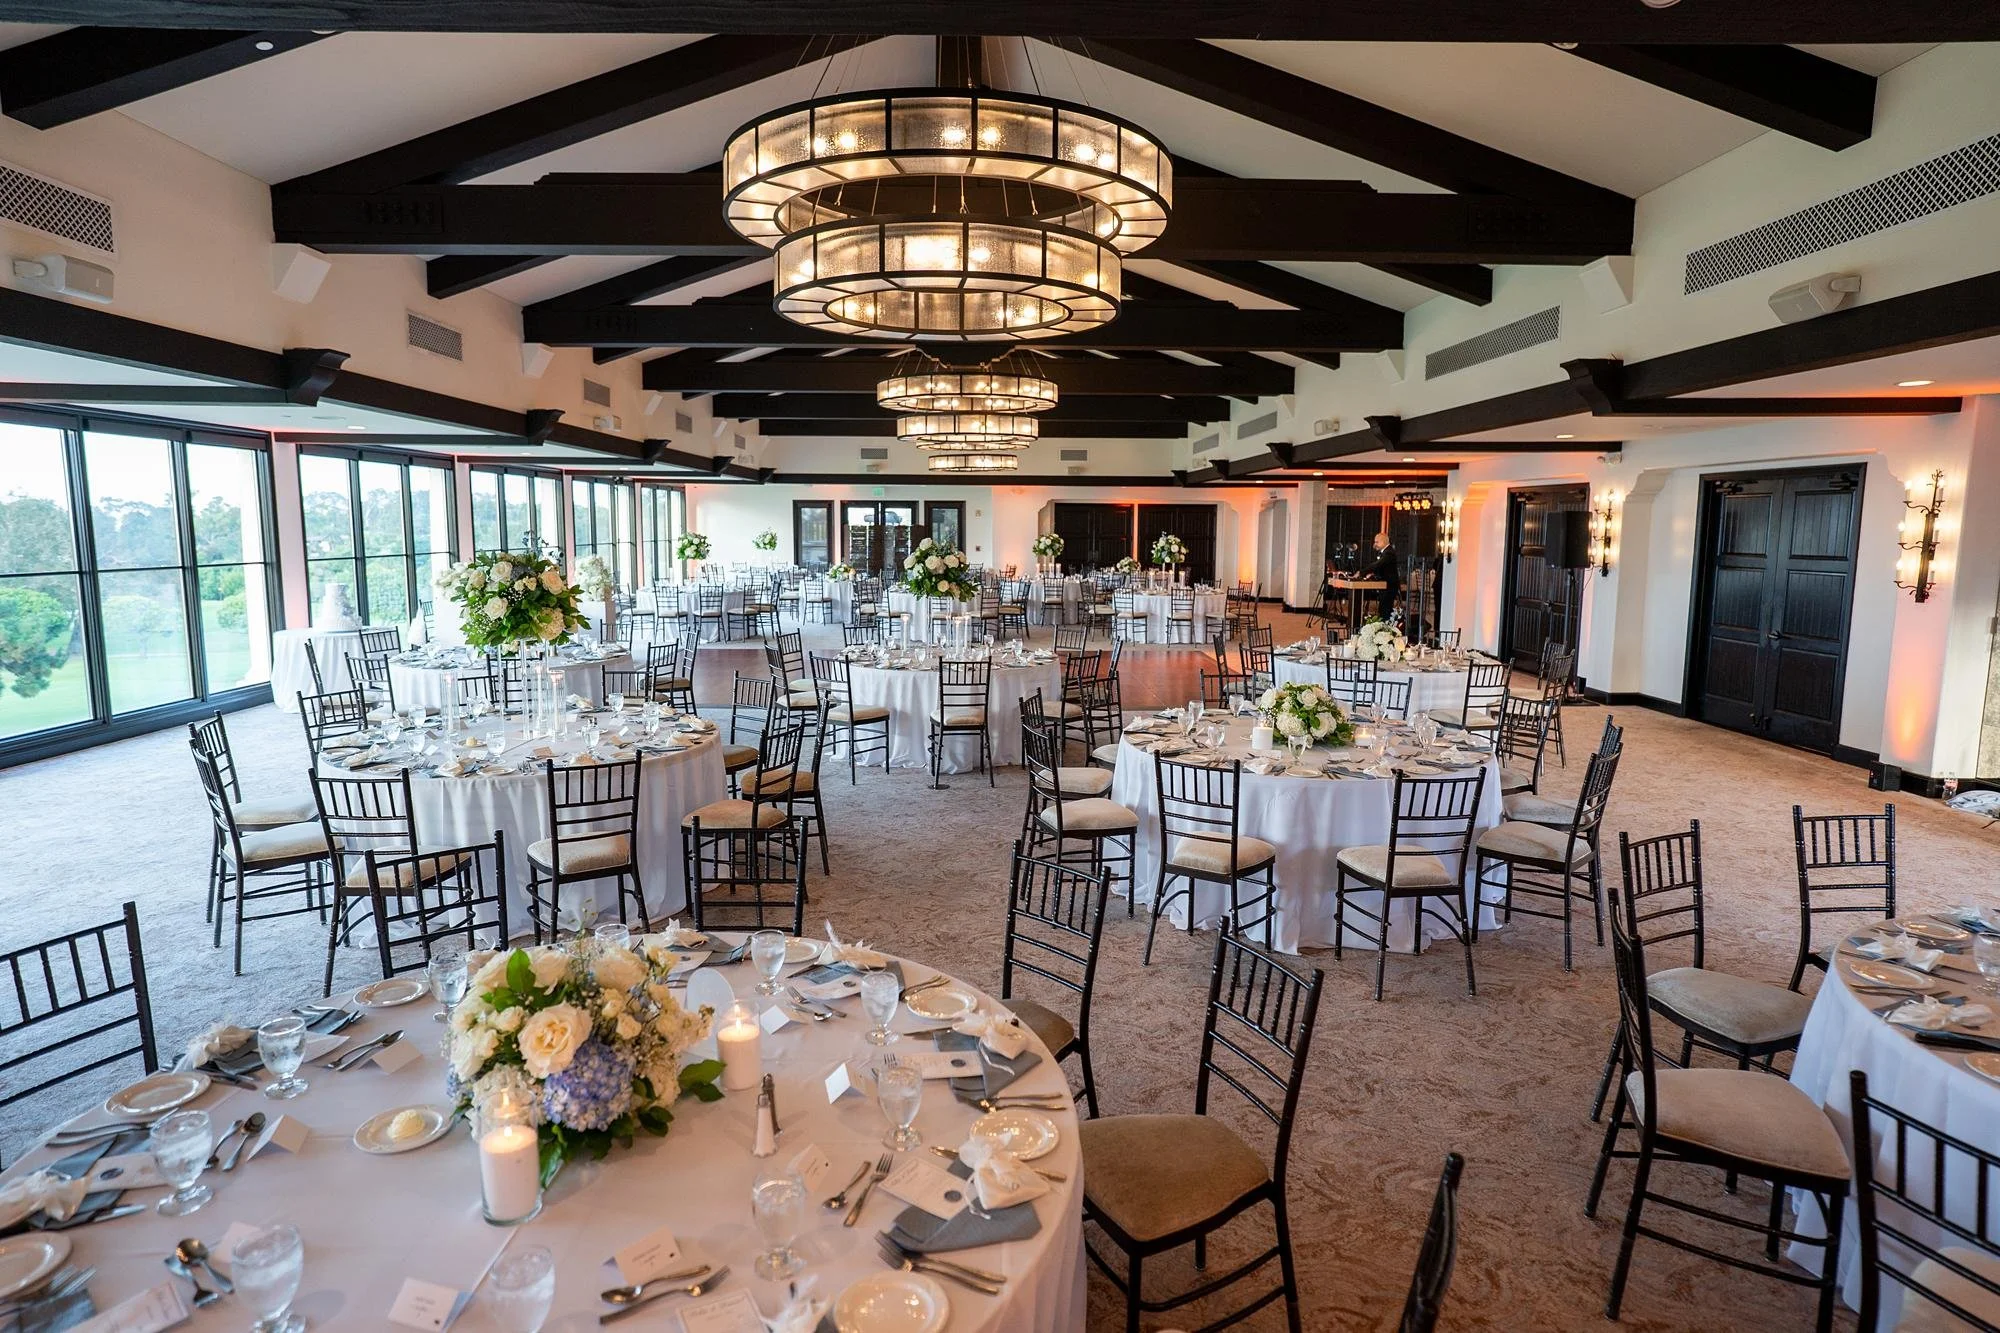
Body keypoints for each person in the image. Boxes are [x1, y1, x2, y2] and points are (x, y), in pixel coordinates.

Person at [1363, 531, 1401, 619]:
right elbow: (1381, 567)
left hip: (1389, 587)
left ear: (1383, 542)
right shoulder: (1385, 552)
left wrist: (1362, 572)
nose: (1374, 544)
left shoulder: (1389, 553)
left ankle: (1385, 630)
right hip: (1385, 587)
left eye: (1376, 542)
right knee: (1383, 610)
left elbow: (1377, 564)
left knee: (1385, 612)